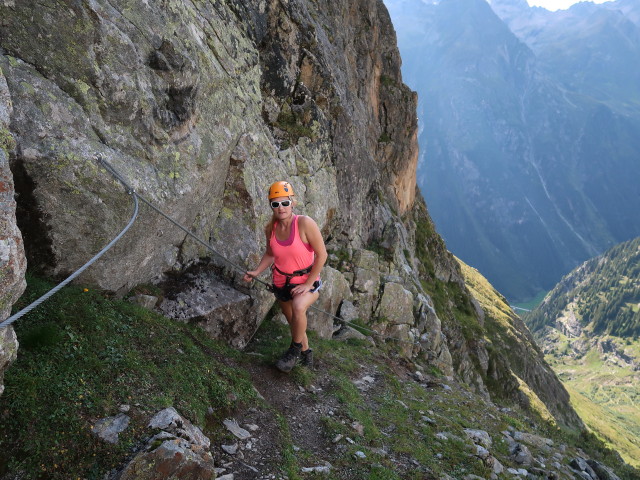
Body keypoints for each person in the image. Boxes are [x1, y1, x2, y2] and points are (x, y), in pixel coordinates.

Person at [243, 181, 327, 372]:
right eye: (275, 204)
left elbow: (322, 255)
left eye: (284, 203)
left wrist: (308, 283)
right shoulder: (271, 229)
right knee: (294, 321)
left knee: (299, 307)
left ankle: (293, 351)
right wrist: (256, 271)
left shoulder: (305, 223)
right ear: (271, 206)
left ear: (292, 202)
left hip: (305, 282)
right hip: (280, 281)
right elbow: (271, 254)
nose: (280, 208)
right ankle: (307, 354)